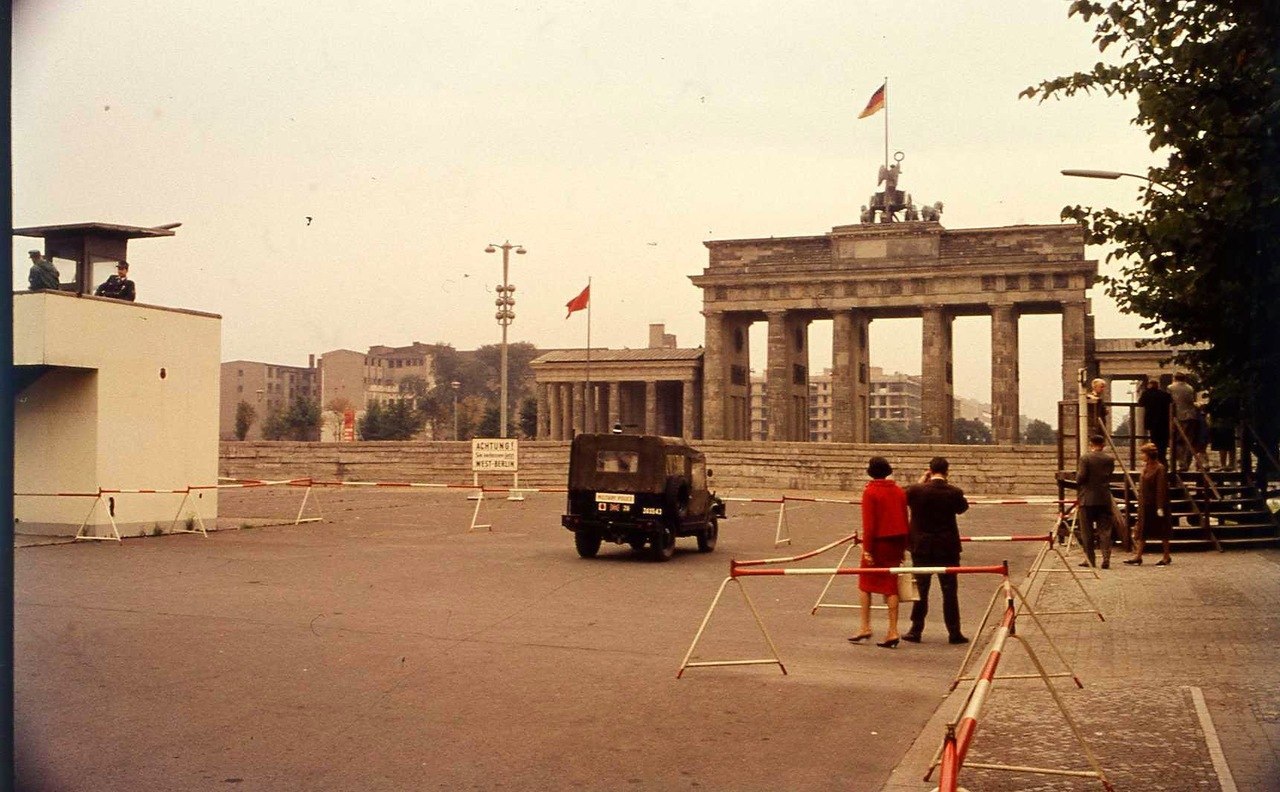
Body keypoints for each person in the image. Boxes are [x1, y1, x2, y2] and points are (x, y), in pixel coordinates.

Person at [902, 457, 969, 645]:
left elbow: (904, 496)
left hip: (921, 547)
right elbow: (962, 509)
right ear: (947, 471)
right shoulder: (954, 492)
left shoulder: (916, 491)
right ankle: (954, 632)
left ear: (929, 471)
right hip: (947, 547)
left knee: (921, 589)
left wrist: (920, 481)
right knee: (949, 591)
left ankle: (916, 629)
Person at [848, 456, 909, 649]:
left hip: (878, 543)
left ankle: (865, 626)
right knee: (891, 585)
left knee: (865, 584)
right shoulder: (899, 491)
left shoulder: (870, 492)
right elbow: (905, 518)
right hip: (895, 542)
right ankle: (893, 629)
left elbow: (869, 524)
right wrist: (904, 546)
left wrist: (867, 550)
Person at [1125, 443, 1172, 566]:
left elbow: (1160, 488)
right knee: (1142, 529)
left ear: (1149, 455)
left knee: (1162, 529)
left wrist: (1160, 506)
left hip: (1155, 504)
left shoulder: (1159, 468)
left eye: (1143, 453)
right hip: (1145, 504)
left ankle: (1166, 555)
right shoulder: (1146, 467)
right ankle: (1138, 555)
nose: (1141, 456)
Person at [1075, 434, 1116, 569]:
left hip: (1087, 499)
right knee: (1105, 530)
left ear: (1091, 444)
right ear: (1103, 445)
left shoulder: (1085, 458)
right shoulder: (1109, 459)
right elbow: (1109, 475)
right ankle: (1106, 558)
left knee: (1087, 532)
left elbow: (1081, 477)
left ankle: (1090, 559)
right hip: (1104, 498)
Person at [1167, 372, 1200, 470]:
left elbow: (1170, 401)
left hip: (1178, 416)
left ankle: (1180, 462)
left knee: (1177, 440)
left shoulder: (1170, 388)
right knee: (1189, 441)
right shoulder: (1190, 388)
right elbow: (1191, 401)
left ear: (1174, 378)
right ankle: (1186, 463)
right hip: (1191, 416)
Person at [1136, 377, 1173, 463]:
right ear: (1158, 386)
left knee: (1154, 440)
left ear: (1149, 385)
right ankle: (1162, 457)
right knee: (1163, 441)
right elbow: (1170, 403)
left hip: (1151, 421)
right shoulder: (1165, 394)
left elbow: (1140, 403)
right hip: (1164, 421)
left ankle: (1155, 457)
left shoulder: (1146, 394)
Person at [1206, 392, 1239, 471]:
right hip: (1230, 421)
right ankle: (1231, 463)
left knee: (1221, 444)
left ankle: (1224, 464)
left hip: (1219, 421)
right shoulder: (1232, 394)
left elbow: (1210, 407)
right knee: (1230, 442)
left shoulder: (1216, 395)